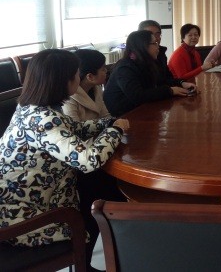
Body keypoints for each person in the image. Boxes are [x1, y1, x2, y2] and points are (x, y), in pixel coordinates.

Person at [0, 49, 129, 270]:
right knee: (100, 190)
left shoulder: (30, 108)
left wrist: (107, 123)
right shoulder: (43, 120)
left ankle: (97, 258)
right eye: (76, 74)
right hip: (24, 218)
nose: (79, 77)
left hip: (26, 201)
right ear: (64, 81)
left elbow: (72, 129)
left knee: (102, 187)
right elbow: (88, 160)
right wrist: (115, 131)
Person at [104, 30, 196, 117]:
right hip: (124, 116)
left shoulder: (146, 62)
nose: (158, 46)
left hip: (143, 109)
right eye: (154, 43)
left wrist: (182, 83)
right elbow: (138, 96)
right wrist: (170, 91)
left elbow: (161, 81)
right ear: (142, 46)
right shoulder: (125, 68)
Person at [62, 49, 110, 121]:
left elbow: (105, 116)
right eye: (103, 69)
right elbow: (75, 127)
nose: (106, 71)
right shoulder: (68, 99)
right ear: (90, 77)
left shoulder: (96, 88)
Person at [138, 19, 178, 87]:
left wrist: (182, 83)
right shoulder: (135, 58)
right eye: (150, 34)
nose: (155, 38)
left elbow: (168, 78)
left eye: (157, 34)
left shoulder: (161, 53)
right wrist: (170, 91)